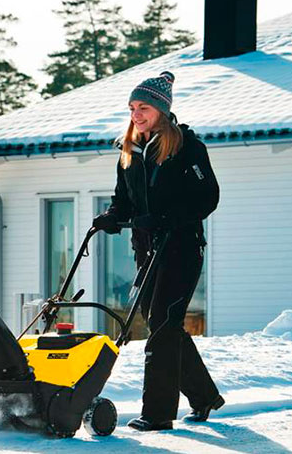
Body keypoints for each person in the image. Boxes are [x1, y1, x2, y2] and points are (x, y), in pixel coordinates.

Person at [92, 71, 225, 431]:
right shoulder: (130, 148)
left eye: (144, 107)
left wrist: (165, 219)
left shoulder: (187, 147)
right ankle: (204, 396)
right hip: (148, 250)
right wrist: (110, 216)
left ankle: (158, 413)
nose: (136, 114)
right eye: (133, 107)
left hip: (181, 249)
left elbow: (207, 197)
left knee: (164, 326)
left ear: (162, 110)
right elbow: (124, 200)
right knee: (162, 323)